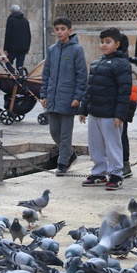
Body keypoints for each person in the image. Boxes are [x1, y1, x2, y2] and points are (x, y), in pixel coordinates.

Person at [78, 27, 131, 191]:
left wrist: (120, 115)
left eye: (108, 42)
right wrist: (83, 109)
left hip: (110, 115)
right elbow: (89, 88)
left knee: (113, 145)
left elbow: (124, 91)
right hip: (95, 113)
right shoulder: (96, 63)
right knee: (95, 145)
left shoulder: (122, 64)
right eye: (102, 42)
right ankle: (99, 173)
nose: (104, 45)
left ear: (117, 44)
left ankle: (116, 174)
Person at [41, 17, 87, 176]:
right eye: (57, 29)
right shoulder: (52, 49)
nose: (60, 32)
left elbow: (82, 75)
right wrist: (44, 94)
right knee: (54, 131)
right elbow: (46, 73)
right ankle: (70, 155)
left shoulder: (76, 50)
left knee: (66, 133)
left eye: (63, 29)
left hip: (69, 98)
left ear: (70, 31)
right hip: (53, 97)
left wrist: (78, 96)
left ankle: (62, 163)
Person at [118, 34, 137, 179]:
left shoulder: (127, 66)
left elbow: (132, 92)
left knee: (121, 134)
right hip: (120, 105)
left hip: (124, 105)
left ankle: (124, 163)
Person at [3, 5, 31, 71]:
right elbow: (28, 35)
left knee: (8, 62)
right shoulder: (25, 21)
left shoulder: (11, 20)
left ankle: (13, 76)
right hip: (23, 48)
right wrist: (27, 48)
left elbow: (8, 34)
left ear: (12, 11)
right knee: (20, 66)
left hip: (13, 48)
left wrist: (6, 48)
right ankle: (20, 78)